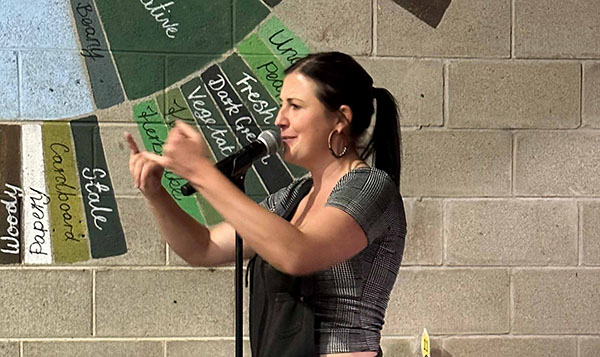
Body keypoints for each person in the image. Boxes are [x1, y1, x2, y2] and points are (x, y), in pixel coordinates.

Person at [125, 52, 406, 357]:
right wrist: (156, 194)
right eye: (281, 104)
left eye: (295, 106)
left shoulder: (370, 186)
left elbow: (299, 253)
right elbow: (202, 246)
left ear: (340, 119)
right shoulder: (294, 196)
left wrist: (201, 171)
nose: (279, 119)